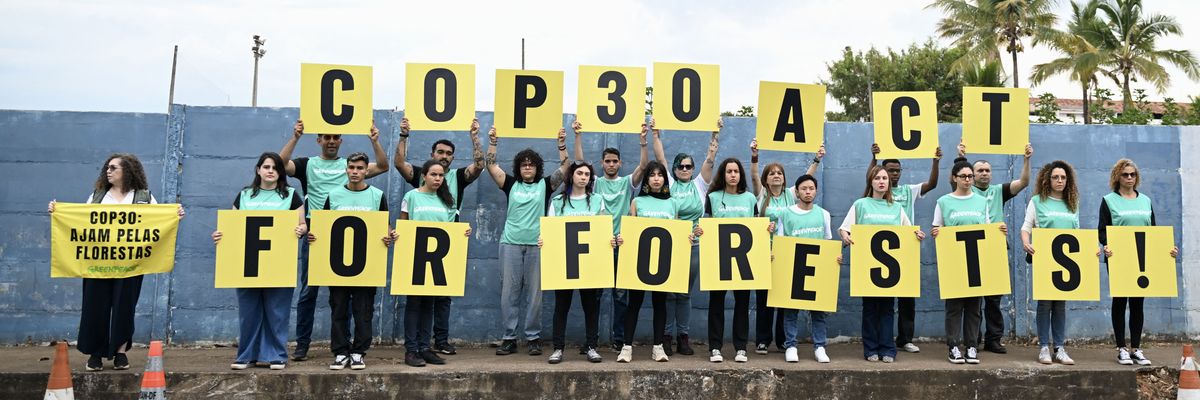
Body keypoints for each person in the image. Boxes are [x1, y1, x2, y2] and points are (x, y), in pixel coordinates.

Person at [48, 153, 186, 371]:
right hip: (97, 264)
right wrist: (58, 213)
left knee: (124, 308)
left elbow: (158, 223)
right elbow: (81, 222)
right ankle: (96, 353)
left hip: (130, 265)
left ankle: (120, 353)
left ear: (127, 171)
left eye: (113, 168)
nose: (108, 171)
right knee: (95, 307)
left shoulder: (144, 198)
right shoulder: (97, 196)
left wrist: (174, 214)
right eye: (107, 168)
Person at [279, 119, 389, 361]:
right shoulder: (307, 164)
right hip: (316, 233)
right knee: (309, 291)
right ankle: (302, 345)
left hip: (350, 233)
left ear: (340, 140)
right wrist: (296, 137)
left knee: (346, 293)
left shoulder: (350, 164)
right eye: (326, 137)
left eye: (335, 137)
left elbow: (383, 165)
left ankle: (348, 348)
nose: (331, 141)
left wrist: (374, 140)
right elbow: (280, 164)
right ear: (319, 140)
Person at [394, 117, 484, 356]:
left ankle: (436, 342)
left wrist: (475, 136)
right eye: (440, 152)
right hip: (417, 250)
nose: (444, 157)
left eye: (448, 154)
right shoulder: (416, 188)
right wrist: (403, 135)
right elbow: (399, 163)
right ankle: (414, 348)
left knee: (441, 299)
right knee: (416, 302)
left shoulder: (455, 182)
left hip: (445, 248)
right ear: (431, 157)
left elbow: (479, 165)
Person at [211, 152, 306, 370]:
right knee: (249, 311)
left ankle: (277, 356)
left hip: (279, 260)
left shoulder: (291, 195)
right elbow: (232, 225)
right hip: (247, 261)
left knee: (277, 311)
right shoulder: (245, 195)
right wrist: (220, 235)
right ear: (258, 170)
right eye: (266, 167)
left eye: (275, 167)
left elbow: (303, 224)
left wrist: (301, 229)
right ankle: (246, 356)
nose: (270, 171)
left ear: (280, 172)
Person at [485, 126, 571, 356]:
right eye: (524, 165)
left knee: (535, 295)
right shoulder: (510, 184)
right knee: (509, 293)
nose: (527, 168)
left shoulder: (546, 185)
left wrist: (561, 144)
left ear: (537, 167)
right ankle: (509, 338)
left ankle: (533, 338)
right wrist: (493, 141)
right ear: (518, 168)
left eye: (531, 164)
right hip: (510, 243)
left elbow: (565, 168)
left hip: (537, 245)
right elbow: (491, 165)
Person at [310, 152, 395, 371]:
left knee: (363, 310)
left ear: (367, 170)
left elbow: (385, 224)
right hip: (337, 264)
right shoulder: (334, 195)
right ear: (346, 169)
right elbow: (324, 226)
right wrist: (314, 235)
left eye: (359, 168)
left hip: (367, 264)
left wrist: (388, 235)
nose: (355, 172)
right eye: (351, 167)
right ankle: (340, 352)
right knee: (338, 308)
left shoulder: (377, 195)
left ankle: (358, 352)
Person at [572, 119, 650, 354]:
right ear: (602, 163)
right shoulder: (594, 183)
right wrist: (578, 136)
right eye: (607, 161)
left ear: (620, 163)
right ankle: (591, 341)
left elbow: (643, 166)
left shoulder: (627, 183)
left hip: (622, 245)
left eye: (615, 161)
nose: (611, 164)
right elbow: (579, 163)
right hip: (597, 246)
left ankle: (619, 339)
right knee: (594, 296)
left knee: (620, 296)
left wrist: (643, 142)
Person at [838, 165, 926, 363]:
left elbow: (908, 231)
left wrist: (917, 235)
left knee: (887, 309)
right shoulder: (861, 204)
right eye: (877, 178)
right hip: (867, 267)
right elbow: (844, 229)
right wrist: (846, 237)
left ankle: (888, 348)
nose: (882, 181)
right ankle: (870, 349)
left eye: (885, 178)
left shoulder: (896, 207)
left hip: (890, 270)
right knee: (869, 309)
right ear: (871, 181)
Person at [650, 119, 723, 356]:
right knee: (669, 293)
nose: (684, 169)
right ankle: (666, 336)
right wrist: (655, 134)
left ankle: (684, 337)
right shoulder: (668, 184)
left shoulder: (700, 186)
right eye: (680, 166)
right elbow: (660, 158)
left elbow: (710, 159)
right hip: (669, 246)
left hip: (693, 246)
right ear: (674, 169)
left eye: (688, 166)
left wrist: (715, 133)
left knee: (684, 294)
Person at [1099, 159, 1179, 366]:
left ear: (1137, 177)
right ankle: (1121, 349)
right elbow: (1102, 231)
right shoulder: (1108, 200)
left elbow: (1153, 232)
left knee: (1137, 303)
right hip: (1118, 258)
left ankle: (1136, 348)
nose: (1129, 178)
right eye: (1125, 174)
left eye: (1132, 174)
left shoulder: (1145, 200)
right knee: (1120, 301)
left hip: (1141, 259)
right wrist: (1106, 246)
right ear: (1118, 176)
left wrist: (1166, 251)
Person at [954, 142, 1033, 354]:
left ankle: (993, 339)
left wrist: (1026, 158)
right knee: (972, 298)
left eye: (987, 170)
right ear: (972, 174)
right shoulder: (965, 190)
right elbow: (957, 176)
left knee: (994, 299)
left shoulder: (1000, 191)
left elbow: (1024, 181)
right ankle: (973, 340)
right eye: (979, 170)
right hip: (970, 248)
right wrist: (960, 157)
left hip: (995, 247)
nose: (984, 174)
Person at [748, 138, 824, 354]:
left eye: (779, 173)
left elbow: (807, 177)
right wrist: (755, 156)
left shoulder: (791, 195)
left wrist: (816, 159)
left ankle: (783, 340)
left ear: (784, 178)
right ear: (766, 178)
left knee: (783, 298)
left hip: (788, 254)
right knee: (764, 297)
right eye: (771, 173)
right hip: (765, 252)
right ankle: (763, 340)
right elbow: (753, 175)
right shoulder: (761, 195)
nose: (776, 176)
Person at [538, 160, 616, 364]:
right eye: (580, 173)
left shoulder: (597, 200)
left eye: (587, 174)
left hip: (590, 264)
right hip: (565, 263)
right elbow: (551, 231)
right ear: (571, 176)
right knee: (561, 307)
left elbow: (603, 227)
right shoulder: (557, 202)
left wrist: (610, 239)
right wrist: (543, 240)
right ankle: (557, 348)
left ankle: (591, 346)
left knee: (591, 306)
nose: (583, 177)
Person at [930, 160, 1007, 365]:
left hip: (977, 261)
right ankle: (953, 346)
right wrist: (936, 232)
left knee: (974, 307)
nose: (967, 180)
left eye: (970, 176)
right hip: (954, 261)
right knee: (954, 307)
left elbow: (989, 229)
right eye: (963, 176)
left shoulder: (982, 202)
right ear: (954, 178)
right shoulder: (943, 201)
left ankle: (972, 346)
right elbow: (937, 227)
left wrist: (1000, 232)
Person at [870, 142, 941, 354]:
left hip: (906, 247)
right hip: (881, 250)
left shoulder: (910, 190)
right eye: (889, 171)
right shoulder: (875, 193)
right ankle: (880, 340)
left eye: (897, 171)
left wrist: (935, 161)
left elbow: (932, 184)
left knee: (907, 298)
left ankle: (905, 339)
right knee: (881, 300)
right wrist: (873, 158)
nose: (894, 174)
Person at [399, 160, 472, 367]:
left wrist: (464, 233)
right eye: (434, 174)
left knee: (429, 305)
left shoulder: (448, 200)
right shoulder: (411, 196)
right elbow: (403, 225)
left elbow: (451, 230)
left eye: (441, 176)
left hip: (437, 260)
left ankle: (424, 347)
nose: (438, 179)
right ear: (424, 175)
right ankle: (411, 350)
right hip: (415, 257)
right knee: (413, 304)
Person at [694, 157, 760, 363]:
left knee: (742, 303)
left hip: (744, 260)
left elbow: (756, 226)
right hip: (719, 257)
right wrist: (700, 230)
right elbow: (706, 223)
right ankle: (715, 348)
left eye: (736, 171)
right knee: (716, 303)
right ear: (723, 174)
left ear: (741, 175)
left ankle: (741, 348)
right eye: (729, 171)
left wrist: (766, 229)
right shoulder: (713, 197)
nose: (733, 175)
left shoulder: (750, 198)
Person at [1020, 160, 1081, 365]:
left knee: (1060, 304)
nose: (1059, 180)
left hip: (1067, 262)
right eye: (1055, 177)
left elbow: (1077, 233)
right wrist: (1026, 243)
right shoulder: (1038, 201)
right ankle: (1044, 347)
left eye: (1063, 177)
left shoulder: (1072, 203)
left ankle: (1060, 348)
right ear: (1048, 179)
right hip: (1045, 258)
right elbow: (1026, 227)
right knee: (1045, 303)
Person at [617, 161, 676, 363]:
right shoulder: (638, 202)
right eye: (652, 175)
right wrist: (623, 238)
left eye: (660, 175)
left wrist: (687, 238)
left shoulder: (672, 203)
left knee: (660, 304)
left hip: (662, 263)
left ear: (665, 179)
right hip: (639, 262)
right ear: (647, 179)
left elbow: (676, 233)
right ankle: (626, 347)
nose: (657, 178)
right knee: (634, 303)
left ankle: (658, 347)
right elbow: (630, 229)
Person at [773, 174, 835, 363]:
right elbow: (780, 241)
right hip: (793, 266)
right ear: (797, 192)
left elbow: (827, 242)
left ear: (816, 191)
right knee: (791, 311)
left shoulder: (823, 214)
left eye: (811, 189)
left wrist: (835, 258)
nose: (808, 192)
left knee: (818, 311)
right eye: (804, 189)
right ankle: (790, 345)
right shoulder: (786, 213)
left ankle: (820, 346)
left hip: (816, 267)